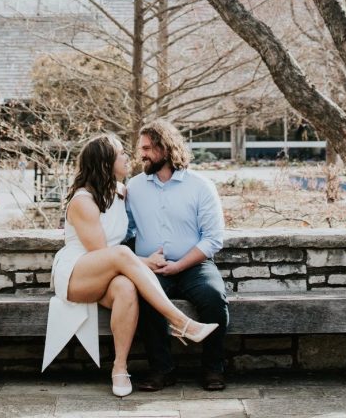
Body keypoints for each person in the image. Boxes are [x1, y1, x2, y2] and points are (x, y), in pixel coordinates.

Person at [42, 134, 218, 398]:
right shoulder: (82, 201)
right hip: (78, 272)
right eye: (121, 153)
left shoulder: (122, 191)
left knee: (126, 287)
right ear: (105, 163)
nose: (127, 157)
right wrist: (146, 262)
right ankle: (181, 322)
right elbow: (102, 252)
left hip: (110, 272)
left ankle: (120, 368)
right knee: (122, 254)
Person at [126, 119, 229, 392]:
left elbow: (213, 238)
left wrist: (179, 265)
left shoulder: (200, 186)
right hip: (151, 268)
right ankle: (162, 371)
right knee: (145, 302)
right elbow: (123, 230)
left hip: (194, 265)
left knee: (214, 298)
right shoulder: (133, 188)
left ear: (165, 147)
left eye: (147, 148)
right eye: (141, 148)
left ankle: (213, 369)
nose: (142, 154)